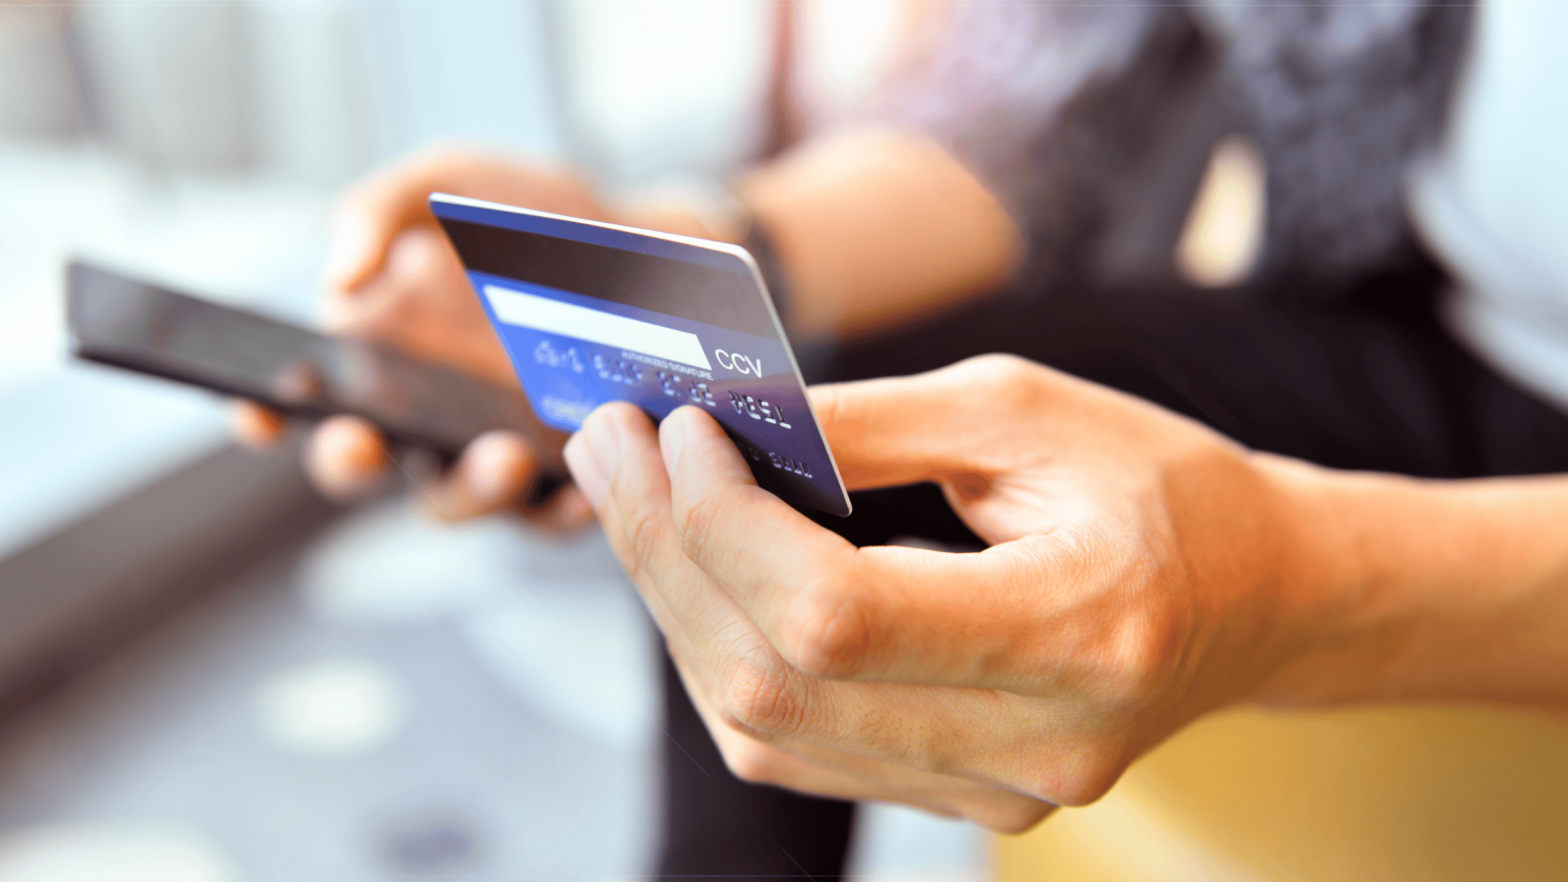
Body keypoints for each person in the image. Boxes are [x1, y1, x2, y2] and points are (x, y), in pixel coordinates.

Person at [239, 0, 1568, 875]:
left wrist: (1309, 580)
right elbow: (1046, 113)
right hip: (1446, 334)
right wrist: (658, 253)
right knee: (768, 434)